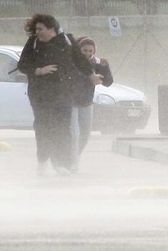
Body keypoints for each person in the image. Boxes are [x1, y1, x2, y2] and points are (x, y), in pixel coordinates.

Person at [16, 14, 92, 175]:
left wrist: (91, 75)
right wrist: (38, 70)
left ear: (52, 29)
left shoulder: (67, 41)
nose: (37, 32)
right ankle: (42, 160)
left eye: (40, 29)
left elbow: (80, 60)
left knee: (62, 127)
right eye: (36, 29)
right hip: (40, 93)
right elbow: (22, 64)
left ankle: (61, 164)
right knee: (43, 126)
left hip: (63, 92)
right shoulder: (33, 43)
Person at [71, 37, 112, 168]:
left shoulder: (96, 63)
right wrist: (90, 77)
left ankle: (75, 156)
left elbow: (108, 82)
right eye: (84, 50)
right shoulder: (73, 61)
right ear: (79, 50)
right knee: (74, 134)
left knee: (85, 134)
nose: (87, 53)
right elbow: (74, 77)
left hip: (86, 102)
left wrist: (105, 68)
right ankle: (72, 161)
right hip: (71, 102)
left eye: (90, 51)